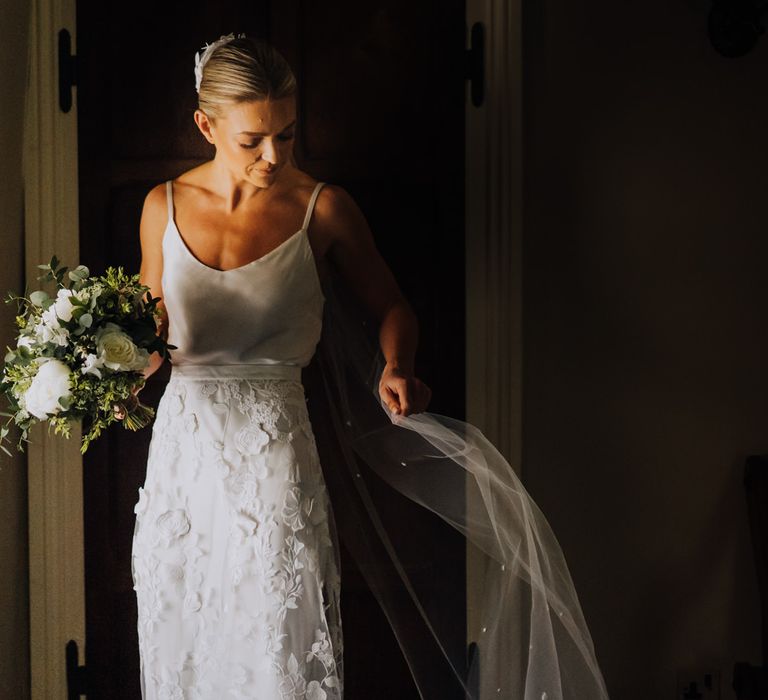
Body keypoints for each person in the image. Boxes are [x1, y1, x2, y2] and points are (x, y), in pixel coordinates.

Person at [126, 34, 611, 700]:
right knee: (179, 632)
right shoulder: (163, 206)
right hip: (182, 454)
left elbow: (392, 306)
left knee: (272, 637)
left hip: (272, 453)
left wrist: (398, 366)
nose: (274, 156)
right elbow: (150, 325)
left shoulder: (323, 208)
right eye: (253, 139)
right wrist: (112, 373)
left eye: (288, 135)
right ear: (206, 126)